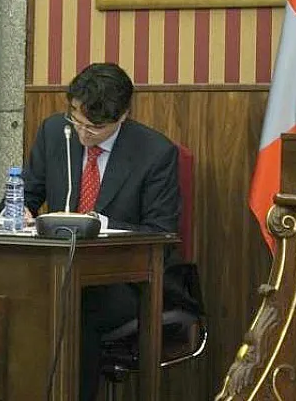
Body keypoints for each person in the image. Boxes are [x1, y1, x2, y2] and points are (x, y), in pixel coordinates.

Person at [20, 62, 195, 401]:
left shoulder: (155, 153)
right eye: (77, 119)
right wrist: (19, 210)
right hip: (56, 269)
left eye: (95, 127)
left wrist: (98, 224)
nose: (84, 134)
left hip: (127, 282)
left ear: (122, 116)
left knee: (74, 304)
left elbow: (161, 233)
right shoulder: (56, 132)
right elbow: (25, 193)